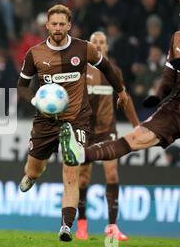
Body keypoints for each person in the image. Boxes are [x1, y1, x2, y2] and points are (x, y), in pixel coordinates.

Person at [17, 4, 128, 242]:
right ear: (47, 25)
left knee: (71, 172)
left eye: (62, 24)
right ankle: (32, 176)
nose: (57, 28)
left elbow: (107, 68)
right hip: (46, 120)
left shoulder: (83, 48)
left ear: (69, 25)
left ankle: (66, 226)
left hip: (76, 120)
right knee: (33, 169)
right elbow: (21, 87)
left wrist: (121, 92)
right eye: (53, 24)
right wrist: (36, 99)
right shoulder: (35, 53)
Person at [60, 27, 180, 171]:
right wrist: (158, 96)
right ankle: (80, 155)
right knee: (137, 138)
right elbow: (169, 77)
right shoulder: (177, 38)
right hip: (176, 107)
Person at [76, 31, 140, 241]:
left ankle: (112, 226)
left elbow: (125, 98)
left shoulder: (113, 71)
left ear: (107, 47)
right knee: (83, 177)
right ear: (90, 46)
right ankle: (82, 224)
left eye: (102, 42)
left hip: (107, 130)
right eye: (95, 42)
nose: (99, 45)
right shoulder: (80, 70)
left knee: (112, 175)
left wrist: (137, 126)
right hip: (85, 132)